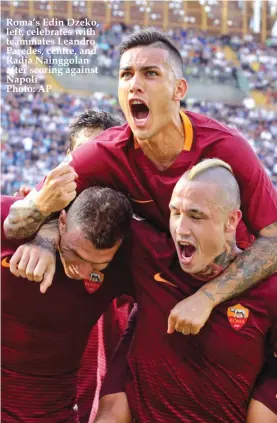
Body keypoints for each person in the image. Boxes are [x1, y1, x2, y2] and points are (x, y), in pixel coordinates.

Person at [4, 28, 277, 338]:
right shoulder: (105, 152)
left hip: (242, 296)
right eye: (126, 74)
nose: (135, 84)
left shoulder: (226, 147)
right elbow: (17, 222)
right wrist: (45, 230)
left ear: (178, 90)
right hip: (168, 292)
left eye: (150, 74)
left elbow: (274, 238)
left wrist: (208, 297)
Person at [95, 159, 277, 423]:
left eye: (196, 215)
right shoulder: (148, 254)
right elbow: (87, 213)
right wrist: (46, 235)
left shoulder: (267, 290)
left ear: (231, 221)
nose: (181, 227)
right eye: (175, 212)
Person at [11, 109, 133, 423]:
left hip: (78, 399)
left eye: (103, 163)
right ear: (67, 160)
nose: (92, 171)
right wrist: (43, 233)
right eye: (84, 158)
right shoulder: (23, 214)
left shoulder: (127, 243)